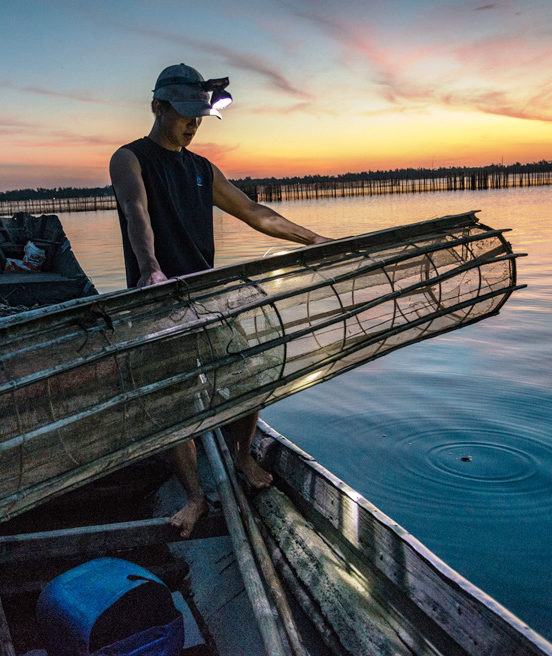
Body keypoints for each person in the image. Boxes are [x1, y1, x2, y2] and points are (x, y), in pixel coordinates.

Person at [110, 63, 330, 538]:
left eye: (199, 117)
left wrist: (313, 240)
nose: (192, 124)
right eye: (184, 115)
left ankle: (242, 456)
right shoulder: (129, 159)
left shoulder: (201, 169)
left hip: (208, 296)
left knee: (251, 374)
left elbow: (254, 212)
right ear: (157, 106)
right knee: (175, 402)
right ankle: (193, 497)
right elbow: (136, 212)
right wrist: (150, 267)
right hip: (158, 297)